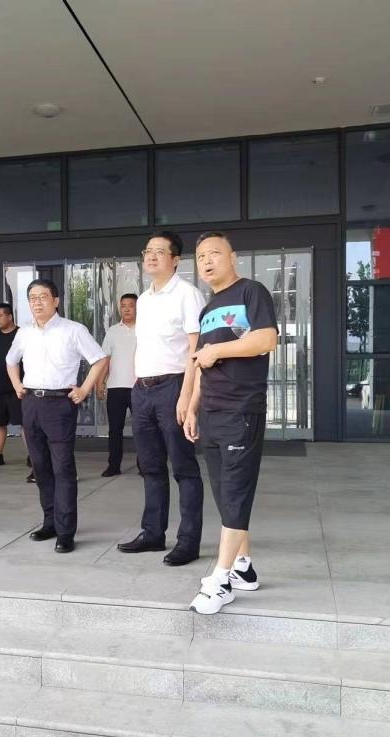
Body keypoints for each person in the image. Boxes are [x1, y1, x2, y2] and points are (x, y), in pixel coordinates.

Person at [183, 232, 279, 614]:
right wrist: (192, 408)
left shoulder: (251, 292)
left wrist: (217, 350)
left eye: (214, 253)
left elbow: (266, 339)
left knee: (236, 493)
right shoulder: (208, 309)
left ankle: (220, 580)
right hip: (211, 412)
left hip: (241, 410)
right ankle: (243, 567)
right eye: (201, 256)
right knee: (226, 496)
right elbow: (200, 365)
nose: (207, 261)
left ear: (232, 257)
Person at [118, 231, 205, 567]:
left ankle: (188, 542)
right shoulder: (143, 299)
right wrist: (137, 382)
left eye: (159, 251)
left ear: (175, 259)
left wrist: (187, 396)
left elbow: (196, 349)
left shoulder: (187, 295)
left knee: (183, 467)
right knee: (150, 466)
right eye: (147, 251)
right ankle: (153, 533)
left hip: (174, 386)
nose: (151, 256)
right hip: (143, 390)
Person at [6, 278, 107, 553]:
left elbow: (99, 359)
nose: (37, 302)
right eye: (32, 298)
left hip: (60, 404)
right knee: (40, 467)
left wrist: (84, 389)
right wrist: (17, 385)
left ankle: (65, 531)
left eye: (43, 297)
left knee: (63, 468)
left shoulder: (73, 330)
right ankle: (49, 522)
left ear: (56, 301)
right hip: (31, 403)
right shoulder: (24, 333)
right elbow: (10, 361)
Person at [0, 303, 33, 479]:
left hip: (17, 388)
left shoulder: (22, 334)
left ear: (10, 316)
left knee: (24, 423)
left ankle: (32, 455)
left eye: (0, 316)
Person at [97, 293, 138, 477]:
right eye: (123, 306)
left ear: (137, 307)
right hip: (115, 388)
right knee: (115, 430)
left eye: (131, 305)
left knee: (142, 430)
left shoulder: (146, 329)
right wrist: (99, 382)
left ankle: (145, 465)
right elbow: (105, 359)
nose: (126, 309)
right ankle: (113, 466)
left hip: (140, 387)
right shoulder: (113, 331)